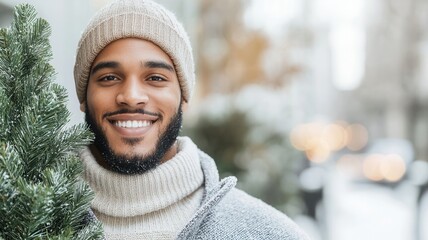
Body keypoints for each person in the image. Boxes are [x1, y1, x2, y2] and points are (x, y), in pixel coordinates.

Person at [73, 0, 309, 239]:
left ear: (184, 96)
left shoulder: (268, 234)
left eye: (155, 78)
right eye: (109, 77)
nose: (132, 97)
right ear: (83, 96)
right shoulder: (36, 214)